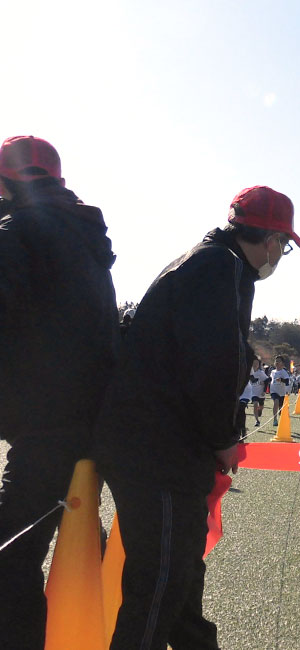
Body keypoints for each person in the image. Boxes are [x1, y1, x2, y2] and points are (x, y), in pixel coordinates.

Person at [93, 185, 300, 649]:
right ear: (270, 239)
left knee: (180, 582)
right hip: (160, 450)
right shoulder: (218, 267)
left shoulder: (208, 262)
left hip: (148, 442)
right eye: (283, 244)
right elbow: (212, 364)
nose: (280, 255)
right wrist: (224, 437)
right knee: (159, 588)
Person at [0, 136, 119, 649]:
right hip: (95, 419)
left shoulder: (16, 234)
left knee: (9, 558)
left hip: (46, 424)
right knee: (81, 532)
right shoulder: (84, 237)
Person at [269, 355, 292, 426]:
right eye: (276, 361)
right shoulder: (272, 371)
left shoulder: (283, 372)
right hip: (273, 391)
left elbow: (287, 381)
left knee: (281, 408)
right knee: (276, 402)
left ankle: (281, 415)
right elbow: (270, 379)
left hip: (282, 392)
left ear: (282, 363)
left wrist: (281, 380)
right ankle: (275, 419)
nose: (277, 362)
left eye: (279, 361)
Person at [248, 358, 269, 427]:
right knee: (255, 404)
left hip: (261, 393)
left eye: (256, 363)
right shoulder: (249, 372)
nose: (255, 365)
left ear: (259, 365)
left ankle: (260, 410)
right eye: (254, 363)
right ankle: (257, 420)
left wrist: (264, 390)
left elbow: (268, 380)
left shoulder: (261, 373)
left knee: (261, 406)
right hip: (253, 393)